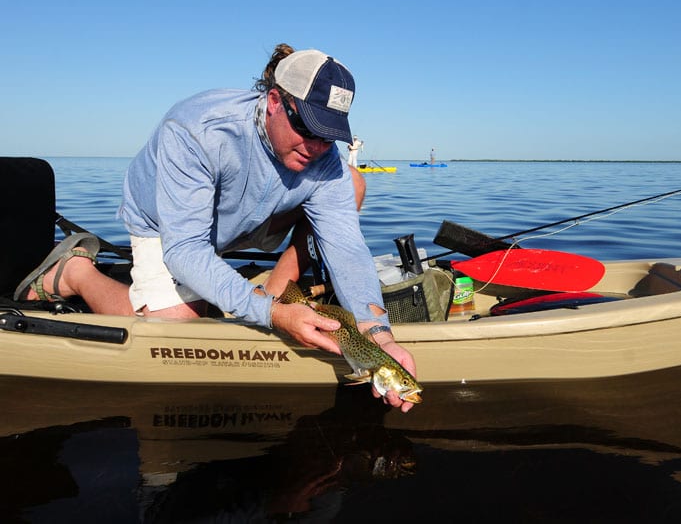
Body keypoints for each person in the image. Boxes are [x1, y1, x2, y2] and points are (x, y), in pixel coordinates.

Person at [13, 43, 416, 412]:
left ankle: (279, 290)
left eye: (329, 136)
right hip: (168, 222)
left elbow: (345, 247)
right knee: (178, 327)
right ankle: (77, 273)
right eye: (308, 129)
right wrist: (272, 316)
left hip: (252, 215)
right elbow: (186, 248)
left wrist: (378, 335)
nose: (316, 147)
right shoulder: (196, 130)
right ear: (275, 101)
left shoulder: (320, 157)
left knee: (351, 182)